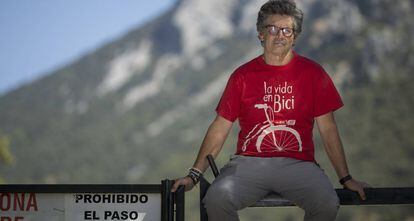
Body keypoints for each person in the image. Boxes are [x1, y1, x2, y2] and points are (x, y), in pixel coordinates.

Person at [171, 0, 369, 220]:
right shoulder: (242, 76)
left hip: (298, 163)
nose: (280, 35)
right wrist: (194, 175)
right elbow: (220, 127)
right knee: (216, 200)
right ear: (261, 34)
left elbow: (328, 129)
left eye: (287, 30)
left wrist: (346, 178)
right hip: (248, 163)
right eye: (272, 28)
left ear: (295, 36)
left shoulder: (313, 73)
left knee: (327, 203)